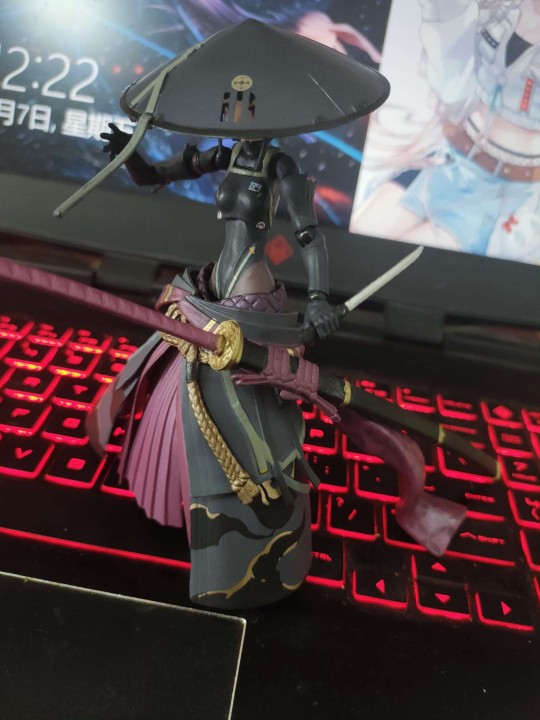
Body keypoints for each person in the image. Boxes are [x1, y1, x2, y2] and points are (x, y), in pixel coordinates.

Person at [351, 0, 540, 263]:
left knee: (397, 266)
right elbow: (449, 76)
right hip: (449, 161)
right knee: (359, 236)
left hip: (502, 194)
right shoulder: (500, 9)